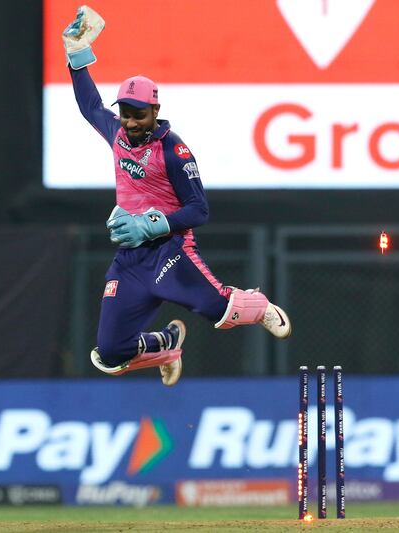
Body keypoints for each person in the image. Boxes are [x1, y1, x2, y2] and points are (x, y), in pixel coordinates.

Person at [61, 6, 291, 387]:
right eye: (127, 115)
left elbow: (199, 210)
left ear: (155, 110)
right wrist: (75, 56)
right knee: (109, 355)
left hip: (170, 251)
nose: (131, 123)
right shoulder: (118, 133)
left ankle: (258, 305)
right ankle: (166, 344)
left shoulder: (174, 151)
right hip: (130, 261)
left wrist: (150, 225)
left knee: (220, 311)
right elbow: (90, 106)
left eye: (139, 115)